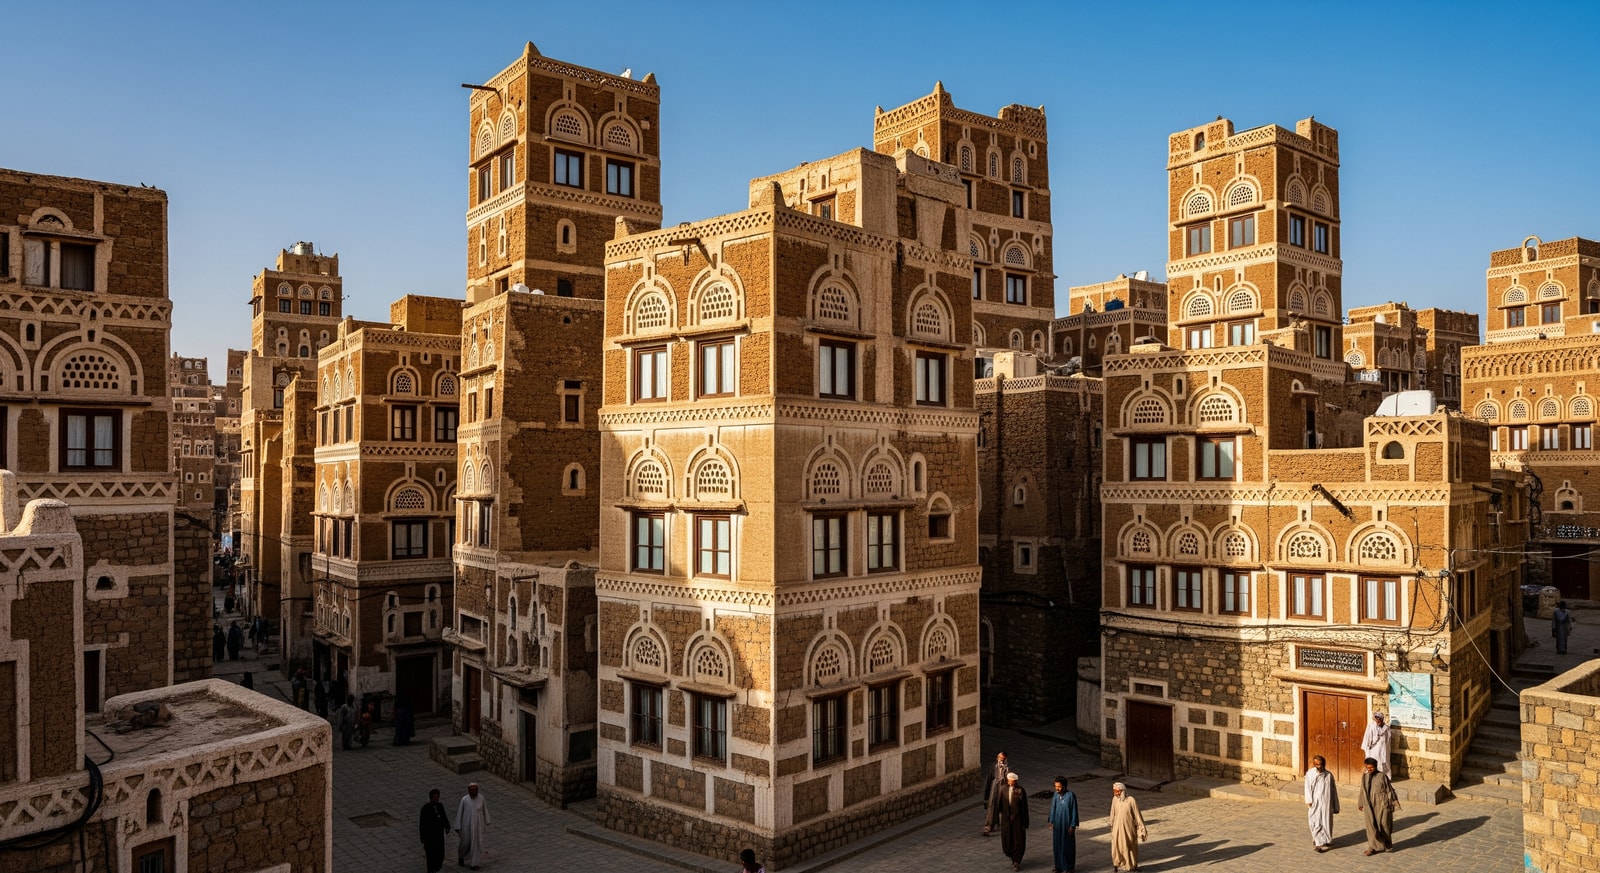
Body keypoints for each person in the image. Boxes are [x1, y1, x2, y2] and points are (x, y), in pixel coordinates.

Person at [985, 771, 1028, 871]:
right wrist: (1000, 817)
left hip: (1017, 820)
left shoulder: (1021, 791)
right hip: (1006, 819)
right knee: (1007, 839)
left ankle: (1016, 860)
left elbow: (1024, 808)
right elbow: (999, 804)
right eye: (1009, 781)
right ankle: (1010, 854)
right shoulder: (1003, 789)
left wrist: (1025, 823)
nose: (1011, 783)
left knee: (1018, 840)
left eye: (1013, 782)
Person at [1357, 756, 1398, 855]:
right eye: (1368, 767)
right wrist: (1360, 802)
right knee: (1371, 826)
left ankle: (1387, 843)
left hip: (1382, 804)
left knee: (1384, 825)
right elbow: (1362, 790)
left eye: (1371, 767)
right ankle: (1372, 847)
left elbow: (1389, 790)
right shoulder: (1364, 777)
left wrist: (1392, 803)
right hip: (1368, 805)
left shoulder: (1382, 776)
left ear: (1376, 766)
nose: (1369, 769)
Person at [1108, 782, 1146, 872]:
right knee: (1116, 846)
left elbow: (1137, 815)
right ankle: (1116, 864)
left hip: (1129, 828)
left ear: (1122, 791)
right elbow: (1112, 813)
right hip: (1117, 828)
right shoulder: (1114, 800)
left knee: (1130, 847)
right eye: (1114, 791)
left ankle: (1132, 866)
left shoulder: (1131, 800)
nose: (1115, 793)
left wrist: (1142, 829)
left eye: (1117, 791)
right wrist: (1111, 823)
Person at [1304, 754, 1339, 853]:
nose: (1320, 766)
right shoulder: (1310, 774)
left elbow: (1333, 790)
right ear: (1314, 764)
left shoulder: (1329, 775)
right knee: (1315, 822)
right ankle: (1318, 843)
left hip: (1326, 803)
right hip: (1315, 803)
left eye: (1321, 764)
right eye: (1317, 765)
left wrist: (1336, 805)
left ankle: (1325, 840)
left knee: (1326, 822)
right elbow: (1307, 788)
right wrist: (1309, 800)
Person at [1048, 775, 1079, 873]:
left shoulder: (1070, 796)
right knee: (1057, 846)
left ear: (1064, 786)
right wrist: (1051, 820)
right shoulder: (1056, 795)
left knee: (1067, 846)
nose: (1057, 789)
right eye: (1056, 786)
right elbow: (1053, 808)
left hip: (1066, 825)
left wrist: (1072, 825)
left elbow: (1074, 811)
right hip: (1058, 825)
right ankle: (1059, 866)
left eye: (1059, 786)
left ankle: (1068, 867)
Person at [455, 782, 490, 870]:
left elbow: (484, 809)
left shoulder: (481, 798)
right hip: (466, 826)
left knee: (476, 844)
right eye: (472, 790)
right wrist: (458, 826)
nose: (473, 791)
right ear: (469, 790)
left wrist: (487, 820)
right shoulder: (465, 799)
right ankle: (461, 855)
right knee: (465, 843)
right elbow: (460, 813)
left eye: (475, 790)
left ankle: (474, 864)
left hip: (478, 826)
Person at [419, 788, 452, 873]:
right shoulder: (426, 808)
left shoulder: (440, 806)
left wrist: (447, 826)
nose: (436, 799)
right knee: (430, 854)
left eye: (437, 797)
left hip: (439, 835)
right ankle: (431, 870)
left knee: (440, 853)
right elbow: (422, 824)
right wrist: (422, 837)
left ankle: (437, 867)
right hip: (430, 836)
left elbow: (444, 816)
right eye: (434, 797)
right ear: (431, 798)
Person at [983, 751, 1011, 835]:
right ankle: (988, 827)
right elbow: (989, 779)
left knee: (1004, 808)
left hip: (1004, 789)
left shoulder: (1007, 768)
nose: (1001, 760)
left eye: (1003, 759)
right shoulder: (994, 766)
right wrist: (986, 796)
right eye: (1000, 758)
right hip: (994, 789)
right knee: (992, 807)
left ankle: (1004, 825)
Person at [1361, 712, 1392, 776]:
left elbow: (1388, 740)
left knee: (1384, 764)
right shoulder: (1371, 726)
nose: (1378, 721)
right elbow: (1367, 738)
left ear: (1382, 719)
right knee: (1373, 764)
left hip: (1383, 749)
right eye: (1377, 720)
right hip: (1373, 750)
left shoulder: (1386, 728)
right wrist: (1368, 747)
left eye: (1379, 719)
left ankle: (1384, 778)